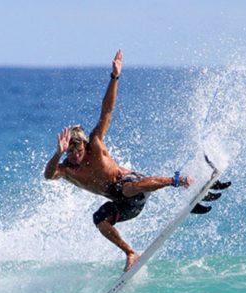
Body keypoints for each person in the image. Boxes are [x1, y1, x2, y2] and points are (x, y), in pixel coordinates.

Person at [44, 49, 192, 272]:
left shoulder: (95, 143)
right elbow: (48, 176)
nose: (74, 155)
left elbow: (107, 110)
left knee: (126, 186)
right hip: (126, 207)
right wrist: (57, 153)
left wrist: (114, 77)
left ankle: (177, 180)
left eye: (77, 150)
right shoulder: (65, 169)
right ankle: (131, 253)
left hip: (135, 186)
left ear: (84, 145)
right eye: (69, 152)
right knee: (99, 218)